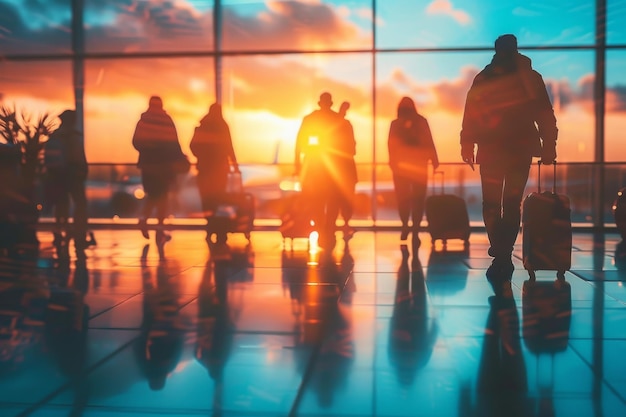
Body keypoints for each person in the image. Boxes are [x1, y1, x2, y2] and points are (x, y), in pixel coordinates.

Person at [460, 34, 558, 295]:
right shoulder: (530, 77)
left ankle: (500, 251)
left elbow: (472, 113)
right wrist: (549, 146)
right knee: (511, 202)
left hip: (492, 149)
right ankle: (504, 251)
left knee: (491, 203)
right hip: (520, 149)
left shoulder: (485, 77)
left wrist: (467, 144)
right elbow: (545, 114)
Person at [132, 96, 186, 244]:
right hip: (164, 166)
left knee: (152, 195)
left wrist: (148, 150)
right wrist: (179, 158)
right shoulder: (166, 120)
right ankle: (160, 230)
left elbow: (135, 142)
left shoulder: (143, 121)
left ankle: (144, 219)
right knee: (162, 197)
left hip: (148, 166)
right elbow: (174, 143)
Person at [294, 92, 344, 249]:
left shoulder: (310, 119)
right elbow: (343, 145)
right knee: (331, 201)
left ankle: (324, 229)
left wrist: (298, 164)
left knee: (317, 200)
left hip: (314, 166)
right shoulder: (337, 119)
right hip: (331, 167)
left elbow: (299, 143)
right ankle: (328, 229)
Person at [388, 97, 439, 244]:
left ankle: (406, 226)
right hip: (418, 167)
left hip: (401, 168)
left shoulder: (396, 124)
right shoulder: (421, 121)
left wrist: (393, 162)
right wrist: (434, 159)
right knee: (418, 199)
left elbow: (390, 145)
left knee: (403, 199)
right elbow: (429, 140)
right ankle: (415, 230)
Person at [190, 103, 239, 245]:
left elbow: (193, 145)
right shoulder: (223, 126)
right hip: (219, 170)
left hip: (204, 169)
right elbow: (229, 146)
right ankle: (220, 231)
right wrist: (233, 164)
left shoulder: (202, 125)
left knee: (207, 201)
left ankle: (210, 227)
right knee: (219, 199)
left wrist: (202, 155)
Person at [43, 109, 91, 256]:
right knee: (80, 204)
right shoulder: (74, 136)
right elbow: (78, 156)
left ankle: (59, 232)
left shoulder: (55, 135)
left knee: (61, 204)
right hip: (74, 174)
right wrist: (83, 171)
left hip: (57, 175)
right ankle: (79, 234)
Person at [337, 101, 358, 239]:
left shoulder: (334, 125)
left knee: (337, 198)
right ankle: (346, 224)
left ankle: (340, 224)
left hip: (338, 168)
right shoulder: (346, 125)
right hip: (346, 167)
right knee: (347, 198)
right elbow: (352, 147)